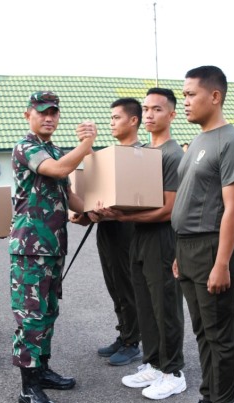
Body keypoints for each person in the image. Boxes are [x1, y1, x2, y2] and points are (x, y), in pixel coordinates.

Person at [95, 88, 186, 401]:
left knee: (165, 306)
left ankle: (173, 371)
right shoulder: (145, 153)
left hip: (162, 239)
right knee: (145, 306)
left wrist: (121, 216)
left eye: (157, 109)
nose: (149, 115)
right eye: (146, 109)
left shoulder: (174, 155)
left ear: (171, 115)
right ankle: (154, 362)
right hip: (139, 238)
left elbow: (168, 208)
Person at [9, 91, 96, 403]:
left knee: (47, 313)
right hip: (30, 248)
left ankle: (41, 371)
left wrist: (90, 211)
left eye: (54, 112)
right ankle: (27, 388)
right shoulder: (26, 147)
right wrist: (86, 145)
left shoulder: (54, 150)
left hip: (53, 246)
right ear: (28, 114)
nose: (49, 117)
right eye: (42, 112)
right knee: (30, 317)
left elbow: (68, 192)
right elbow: (59, 171)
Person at [172, 66, 234, 403]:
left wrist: (221, 263)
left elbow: (233, 209)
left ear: (215, 96)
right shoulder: (199, 140)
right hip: (188, 247)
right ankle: (208, 399)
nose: (185, 102)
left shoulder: (230, 142)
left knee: (220, 335)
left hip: (212, 247)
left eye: (191, 95)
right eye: (184, 95)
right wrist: (179, 251)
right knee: (203, 331)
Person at [90, 98, 142, 366]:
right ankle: (123, 335)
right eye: (110, 118)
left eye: (116, 118)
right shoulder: (108, 154)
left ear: (133, 120)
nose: (111, 123)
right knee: (114, 286)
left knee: (127, 285)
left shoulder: (142, 154)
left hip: (128, 229)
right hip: (106, 228)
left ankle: (133, 341)